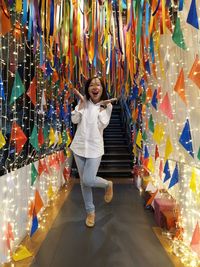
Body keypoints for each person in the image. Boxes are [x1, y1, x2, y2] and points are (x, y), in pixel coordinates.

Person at [70, 76, 117, 228]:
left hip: (95, 148)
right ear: (88, 89)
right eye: (92, 85)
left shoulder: (107, 106)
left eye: (98, 84)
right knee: (84, 184)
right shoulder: (83, 102)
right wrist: (80, 107)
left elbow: (102, 124)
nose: (95, 87)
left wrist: (103, 109)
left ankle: (107, 184)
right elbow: (75, 121)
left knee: (88, 180)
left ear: (102, 89)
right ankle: (90, 212)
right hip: (79, 147)